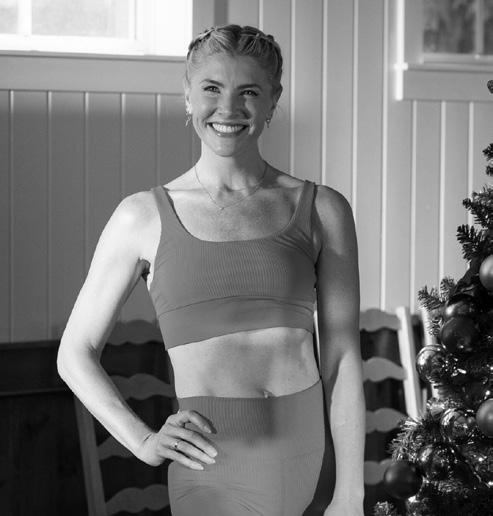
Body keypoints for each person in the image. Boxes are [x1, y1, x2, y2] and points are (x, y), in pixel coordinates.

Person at [57, 24, 365, 516]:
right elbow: (74, 353)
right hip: (211, 463)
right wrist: (141, 440)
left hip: (311, 458)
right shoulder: (142, 216)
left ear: (273, 99)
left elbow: (343, 355)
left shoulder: (323, 208)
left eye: (249, 92)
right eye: (212, 89)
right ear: (187, 95)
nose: (229, 108)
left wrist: (350, 494)